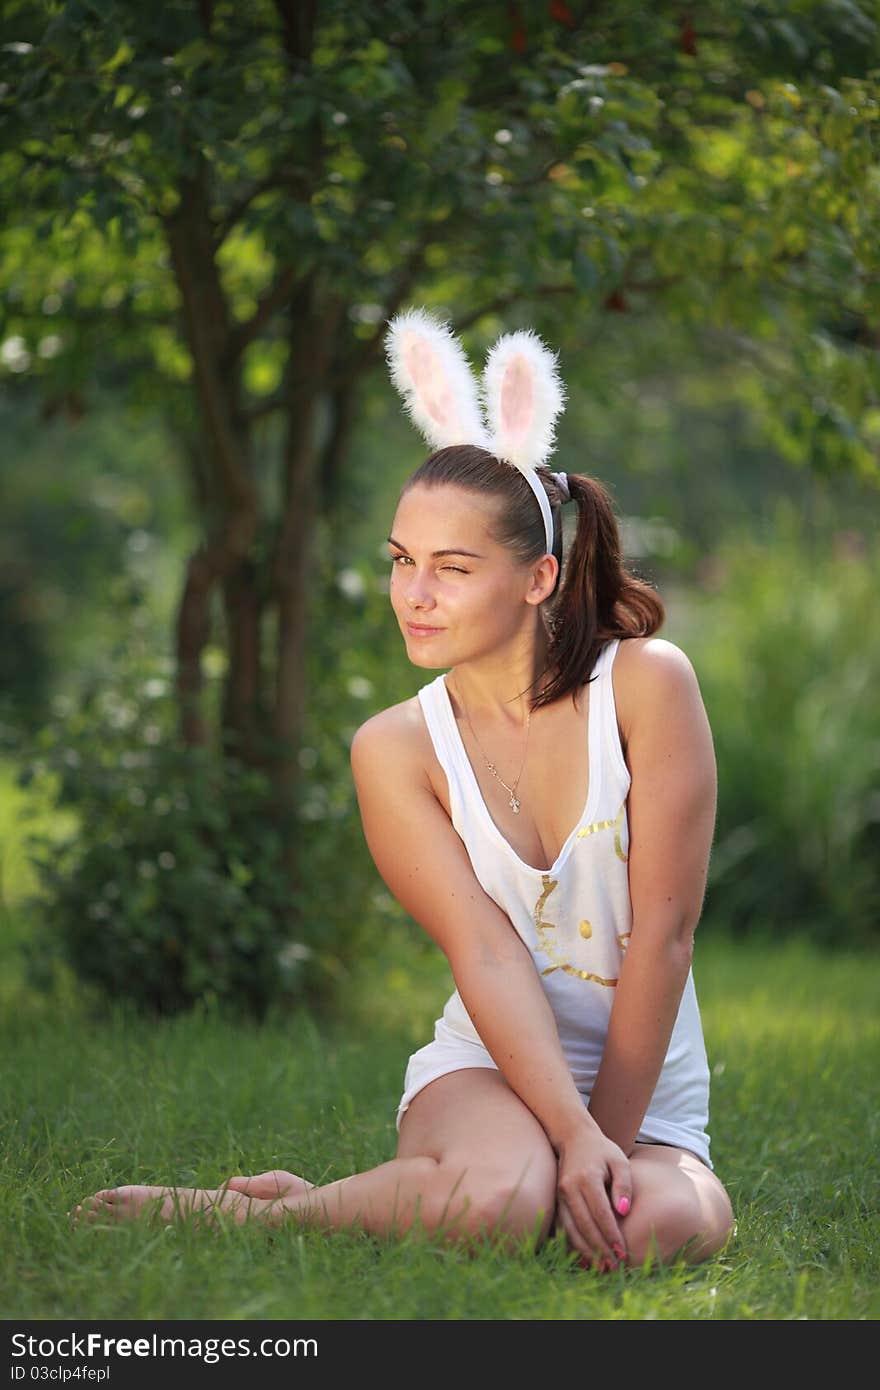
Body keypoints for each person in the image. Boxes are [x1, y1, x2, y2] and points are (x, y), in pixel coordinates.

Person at [75, 309, 734, 1271]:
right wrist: (561, 1134)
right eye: (401, 562)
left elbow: (664, 935)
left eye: (452, 569)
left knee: (655, 1224)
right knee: (502, 1202)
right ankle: (262, 1214)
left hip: (649, 1089)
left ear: (539, 577)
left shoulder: (646, 685)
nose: (414, 594)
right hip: (488, 1071)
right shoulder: (394, 748)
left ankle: (463, 1186)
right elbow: (484, 950)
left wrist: (601, 1145)